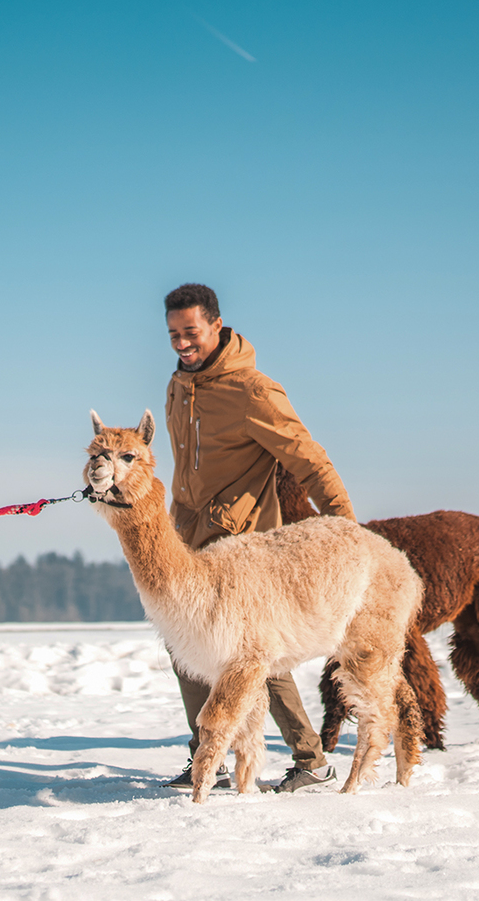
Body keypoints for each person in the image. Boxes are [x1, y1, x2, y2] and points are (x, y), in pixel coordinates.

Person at [160, 283, 357, 794]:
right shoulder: (178, 387)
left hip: (245, 546)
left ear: (217, 327)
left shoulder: (252, 391)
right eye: (174, 334)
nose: (183, 343)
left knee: (252, 656)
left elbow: (308, 458)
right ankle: (210, 757)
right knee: (185, 647)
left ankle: (310, 760)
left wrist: (344, 527)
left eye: (192, 333)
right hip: (191, 545)